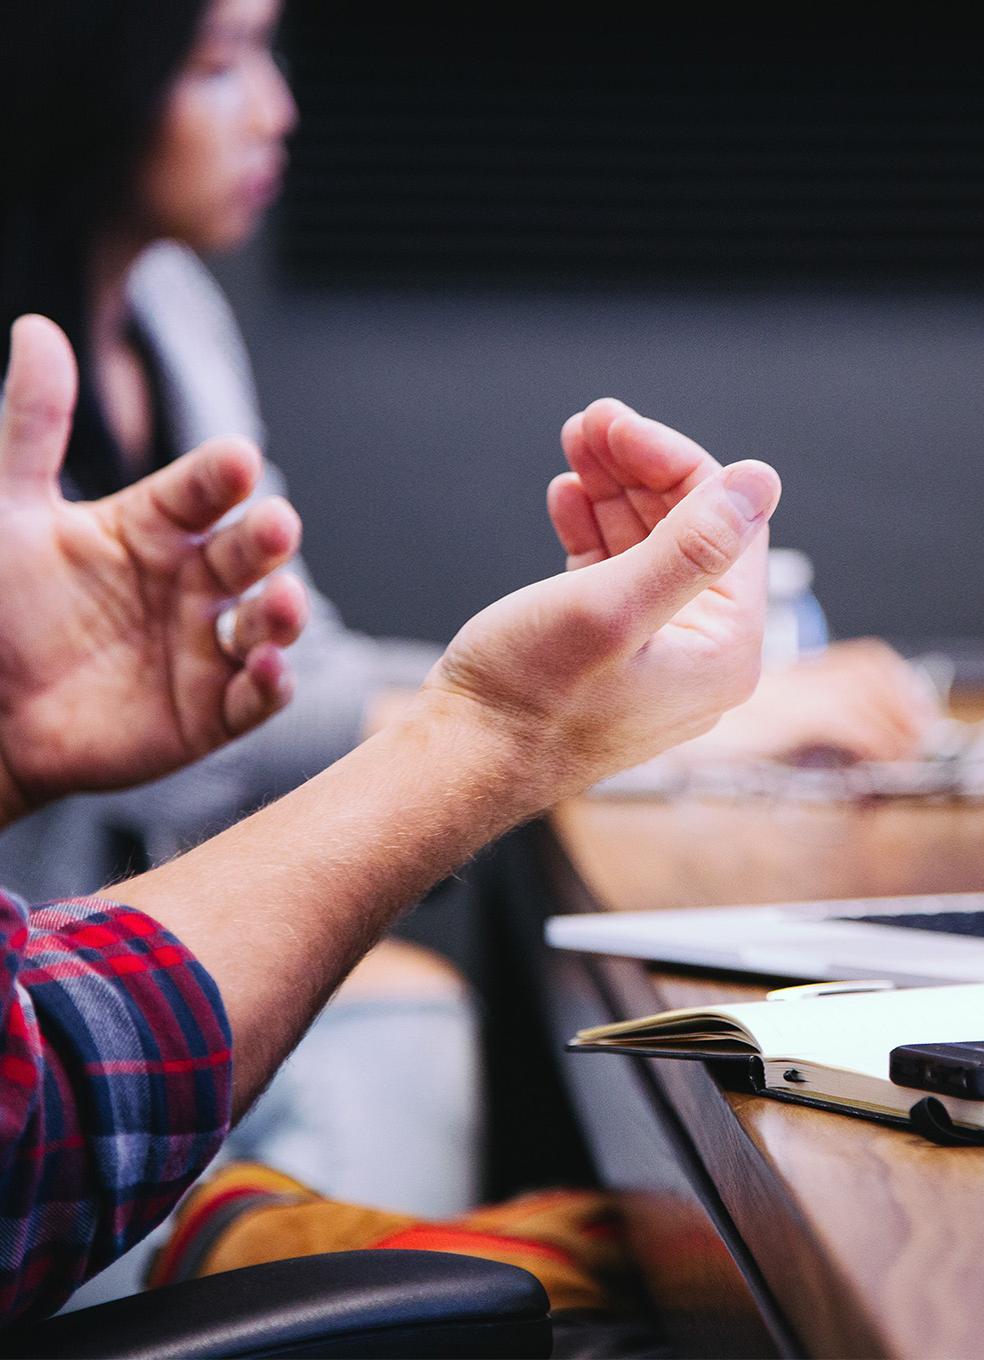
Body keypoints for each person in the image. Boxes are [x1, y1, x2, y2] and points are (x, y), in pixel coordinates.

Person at [0, 309, 782, 1323]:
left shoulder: (166, 299)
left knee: (414, 1009)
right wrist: (497, 733)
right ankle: (221, 1246)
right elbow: (34, 1114)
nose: (276, 133)